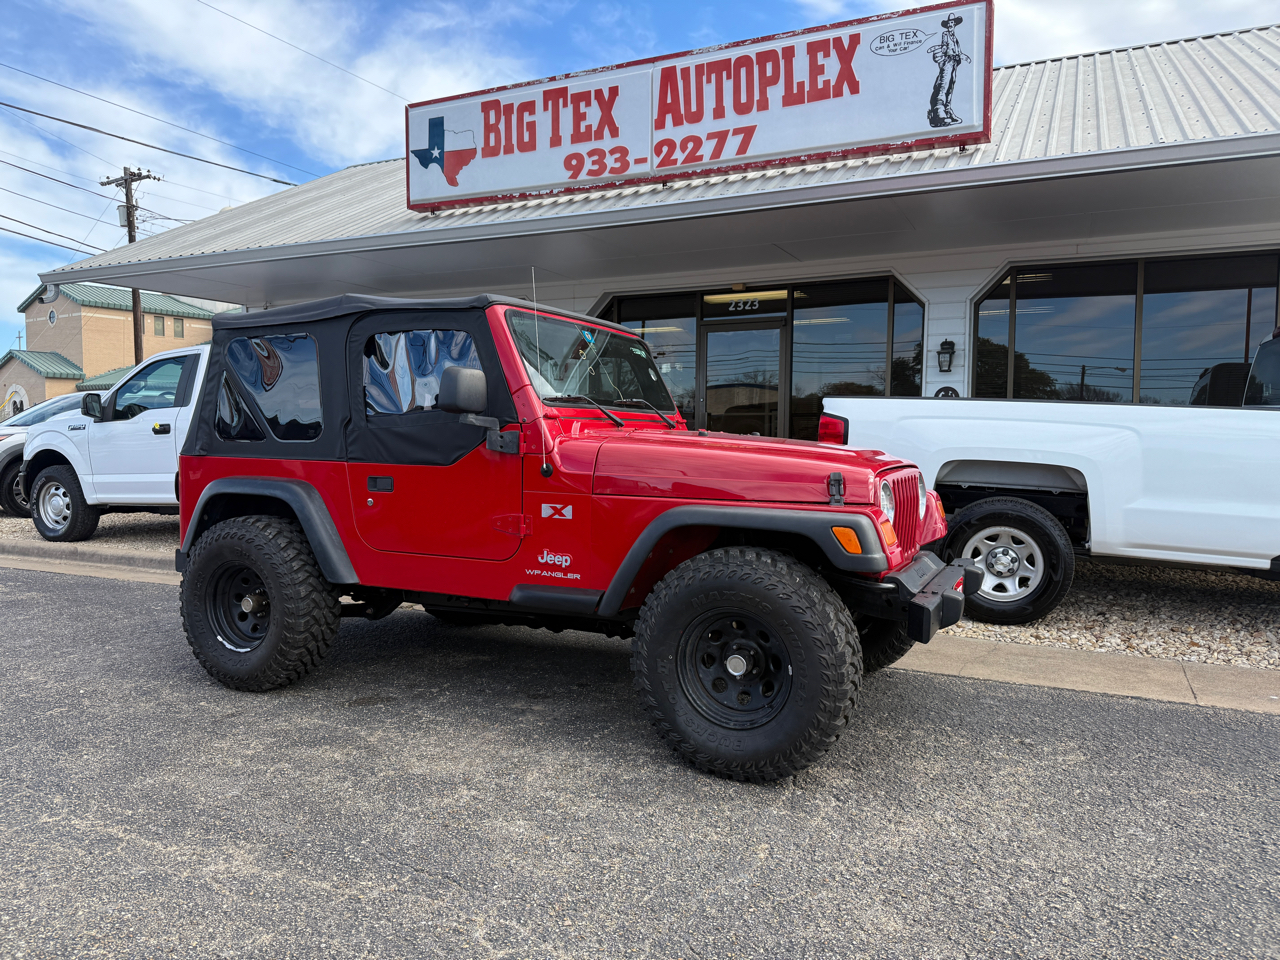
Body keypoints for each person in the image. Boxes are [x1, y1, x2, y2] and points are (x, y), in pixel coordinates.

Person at [927, 13, 971, 127]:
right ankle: (938, 110)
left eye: (952, 23)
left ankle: (947, 110)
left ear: (954, 24)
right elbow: (944, 46)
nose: (950, 25)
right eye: (949, 23)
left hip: (954, 63)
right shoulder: (945, 34)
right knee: (944, 84)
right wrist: (939, 51)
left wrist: (965, 57)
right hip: (947, 61)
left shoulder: (955, 39)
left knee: (951, 85)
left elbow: (959, 52)